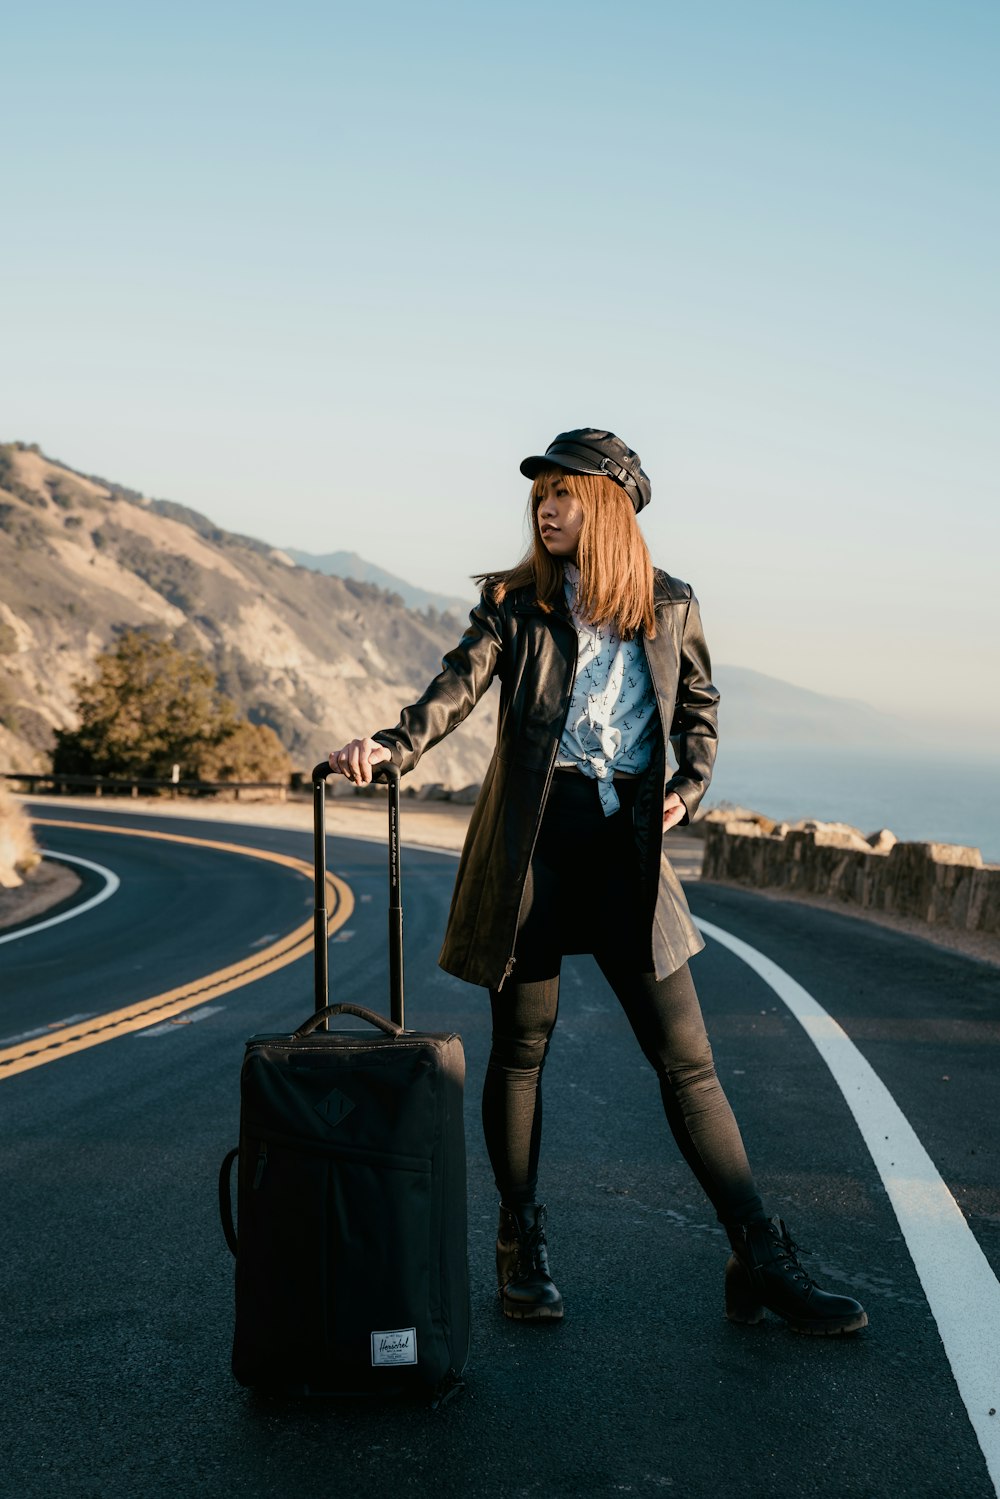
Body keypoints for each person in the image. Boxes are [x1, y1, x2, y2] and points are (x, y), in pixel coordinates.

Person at [329, 427, 867, 1336]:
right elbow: (455, 689)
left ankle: (758, 1254)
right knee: (522, 1048)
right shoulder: (512, 604)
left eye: (565, 492)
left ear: (608, 507)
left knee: (687, 1060)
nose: (545, 505)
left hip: (632, 849)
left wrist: (688, 793)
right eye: (540, 491)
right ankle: (521, 1248)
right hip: (534, 843)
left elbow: (699, 706)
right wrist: (392, 745)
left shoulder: (671, 604)